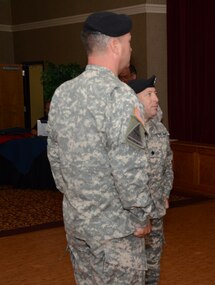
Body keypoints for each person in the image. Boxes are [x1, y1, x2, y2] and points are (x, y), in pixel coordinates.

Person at [47, 11, 154, 284]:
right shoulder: (120, 97)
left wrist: (79, 200)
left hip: (78, 224)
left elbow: (55, 158)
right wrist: (141, 216)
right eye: (129, 41)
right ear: (115, 45)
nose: (131, 48)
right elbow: (130, 168)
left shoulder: (63, 93)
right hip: (116, 233)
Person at [128, 75, 173, 285]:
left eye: (155, 93)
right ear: (134, 100)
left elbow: (168, 165)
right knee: (132, 270)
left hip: (156, 213)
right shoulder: (127, 130)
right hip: (131, 219)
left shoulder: (160, 130)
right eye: (149, 94)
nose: (156, 99)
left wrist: (164, 192)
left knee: (153, 267)